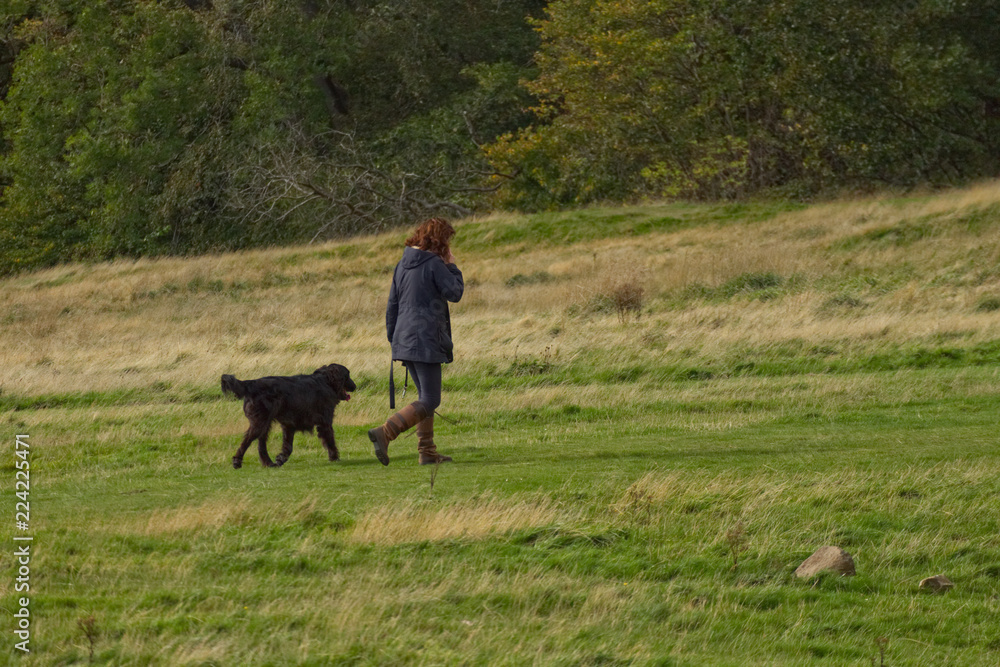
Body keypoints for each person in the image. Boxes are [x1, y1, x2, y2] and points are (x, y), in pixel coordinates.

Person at [368, 217, 464, 465]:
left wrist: (395, 341)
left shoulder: (402, 264)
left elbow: (392, 306)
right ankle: (386, 432)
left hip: (404, 338)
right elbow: (455, 293)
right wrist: (451, 266)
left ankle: (427, 452)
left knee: (424, 397)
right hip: (426, 339)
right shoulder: (434, 264)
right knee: (431, 399)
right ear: (440, 240)